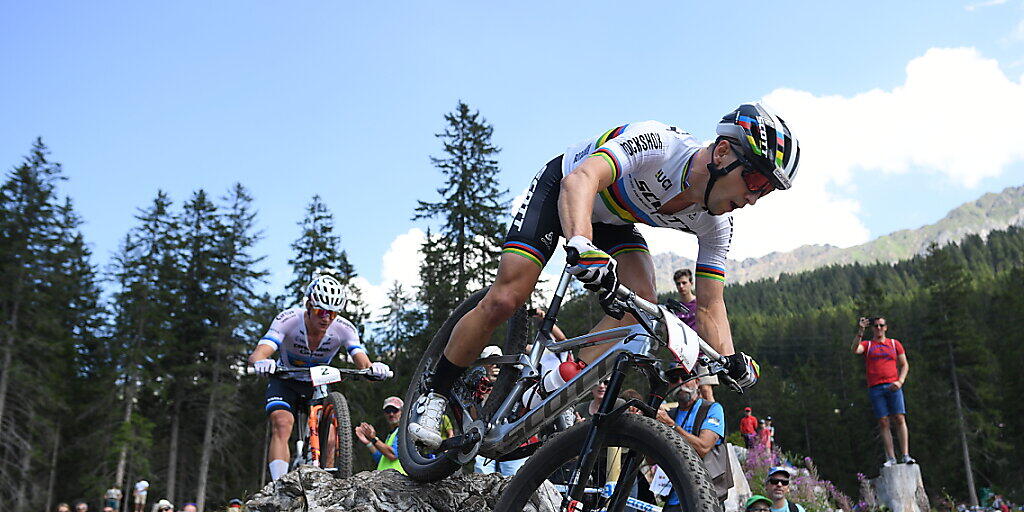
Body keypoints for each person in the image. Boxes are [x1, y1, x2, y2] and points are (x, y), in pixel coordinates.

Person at [409, 103, 799, 447]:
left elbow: (711, 303)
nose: (752, 199)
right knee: (506, 299)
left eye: (764, 193)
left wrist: (730, 360)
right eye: (755, 182)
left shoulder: (718, 225)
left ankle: (553, 382)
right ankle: (436, 392)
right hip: (567, 186)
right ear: (723, 151)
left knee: (642, 306)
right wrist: (581, 242)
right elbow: (582, 179)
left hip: (615, 219)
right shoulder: (660, 144)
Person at [249, 272, 392, 481]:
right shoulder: (288, 320)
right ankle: (279, 484)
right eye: (321, 311)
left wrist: (374, 369)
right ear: (308, 305)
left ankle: (327, 484)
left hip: (316, 383)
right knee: (282, 423)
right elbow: (259, 353)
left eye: (332, 314)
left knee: (332, 437)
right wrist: (261, 362)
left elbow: (363, 362)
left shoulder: (344, 328)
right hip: (285, 380)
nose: (326, 318)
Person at [656, 378, 727, 511]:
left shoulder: (712, 409)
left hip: (705, 498)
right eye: (674, 379)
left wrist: (671, 426)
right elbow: (651, 459)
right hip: (673, 498)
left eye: (685, 376)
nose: (680, 382)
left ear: (697, 381)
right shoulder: (670, 414)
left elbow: (703, 448)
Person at [852, 316, 915, 466]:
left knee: (899, 418)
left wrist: (900, 381)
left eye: (881, 325)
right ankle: (891, 457)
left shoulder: (894, 344)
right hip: (875, 387)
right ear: (872, 328)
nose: (878, 328)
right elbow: (855, 349)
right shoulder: (868, 345)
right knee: (883, 421)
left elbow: (904, 364)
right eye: (875, 326)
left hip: (893, 385)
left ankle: (905, 454)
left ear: (886, 327)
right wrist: (860, 330)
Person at [355, 396, 405, 474]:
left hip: (398, 480)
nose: (391, 414)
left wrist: (374, 439)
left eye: (395, 410)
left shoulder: (403, 431)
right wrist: (368, 443)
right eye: (388, 411)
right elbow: (381, 459)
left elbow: (392, 455)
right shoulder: (391, 434)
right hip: (387, 480)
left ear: (402, 412)